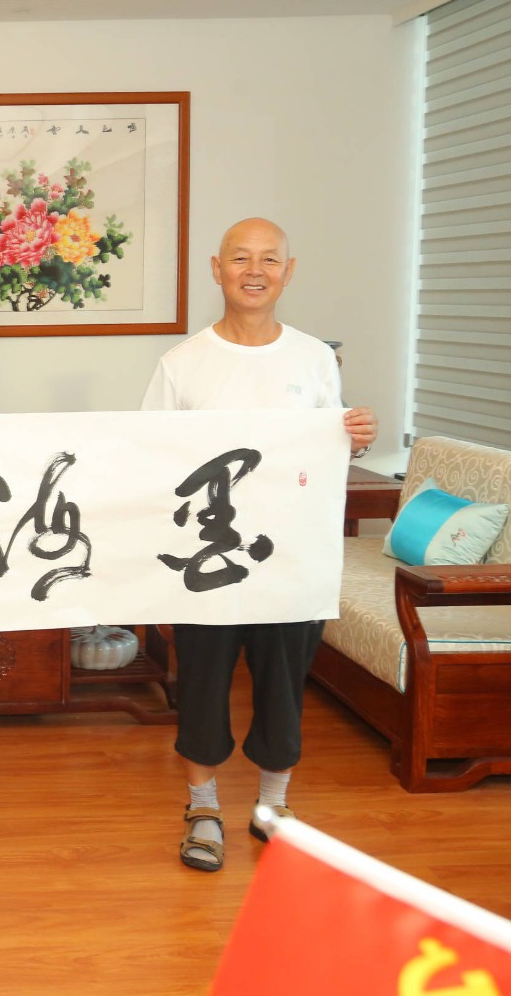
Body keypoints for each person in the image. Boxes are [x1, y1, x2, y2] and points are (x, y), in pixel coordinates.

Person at [141, 217, 376, 873]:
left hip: (289, 560)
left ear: (288, 272)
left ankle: (274, 805)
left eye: (269, 259)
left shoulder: (315, 358)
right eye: (240, 258)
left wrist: (356, 436)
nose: (254, 270)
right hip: (205, 562)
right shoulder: (182, 363)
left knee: (282, 687)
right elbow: (150, 457)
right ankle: (203, 808)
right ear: (216, 269)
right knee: (202, 687)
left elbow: (328, 452)